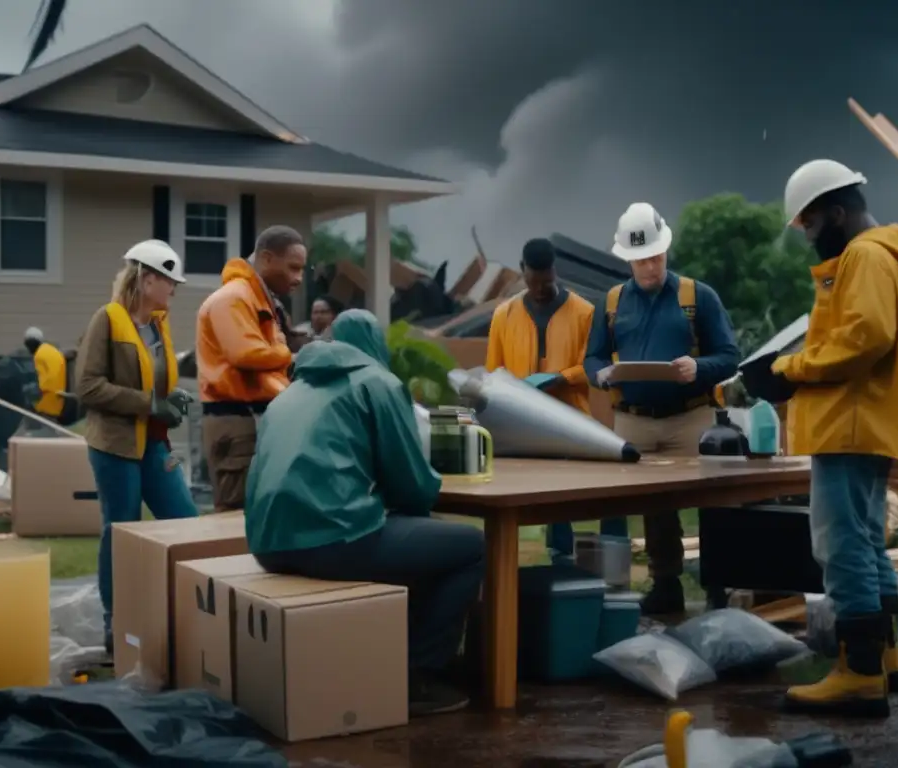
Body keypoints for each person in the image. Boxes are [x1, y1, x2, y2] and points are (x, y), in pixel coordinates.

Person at [246, 309, 484, 717]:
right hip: (333, 538)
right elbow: (412, 486)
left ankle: (398, 657)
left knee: (418, 539)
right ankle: (418, 677)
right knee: (470, 545)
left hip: (268, 543)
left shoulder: (290, 391)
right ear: (375, 344)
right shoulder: (379, 382)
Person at [772, 159, 898, 717]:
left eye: (811, 224)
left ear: (837, 213)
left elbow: (864, 338)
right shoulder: (883, 256)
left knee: (841, 547)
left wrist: (788, 368)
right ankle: (882, 662)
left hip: (851, 423)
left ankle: (859, 674)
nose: (809, 237)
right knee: (865, 544)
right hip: (867, 423)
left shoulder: (864, 255)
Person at [584, 202, 740, 617]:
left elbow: (729, 356)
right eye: (641, 260)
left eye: (655, 256)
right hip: (634, 419)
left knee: (713, 502)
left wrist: (699, 367)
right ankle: (665, 584)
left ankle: (719, 587)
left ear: (665, 250)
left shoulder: (697, 297)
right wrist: (600, 376)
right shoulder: (612, 303)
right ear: (628, 260)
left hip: (691, 418)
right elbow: (592, 358)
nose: (650, 267)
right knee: (655, 507)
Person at [76, 240, 199, 653]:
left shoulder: (159, 324)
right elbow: (88, 386)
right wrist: (149, 403)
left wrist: (172, 396)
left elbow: (155, 377)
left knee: (184, 520)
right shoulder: (107, 320)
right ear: (147, 279)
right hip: (115, 446)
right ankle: (117, 623)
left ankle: (192, 613)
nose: (174, 290)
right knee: (122, 528)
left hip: (154, 443)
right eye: (169, 281)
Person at [485, 238, 621, 560]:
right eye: (534, 283)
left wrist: (561, 377)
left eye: (547, 282)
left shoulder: (584, 313)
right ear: (522, 272)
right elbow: (494, 373)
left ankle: (611, 558)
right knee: (546, 500)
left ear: (555, 272)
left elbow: (596, 364)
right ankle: (558, 558)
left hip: (573, 421)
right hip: (523, 425)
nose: (541, 290)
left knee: (604, 495)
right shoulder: (503, 316)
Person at [196, 225, 307, 512]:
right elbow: (244, 354)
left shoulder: (258, 299)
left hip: (252, 419)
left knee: (259, 513)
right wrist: (290, 355)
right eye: (293, 268)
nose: (299, 278)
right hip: (235, 421)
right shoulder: (233, 298)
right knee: (236, 516)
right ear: (267, 259)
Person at [23, 326, 68, 422]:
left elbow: (42, 380)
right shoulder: (52, 351)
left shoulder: (39, 355)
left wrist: (31, 390)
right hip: (57, 402)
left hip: (44, 404)